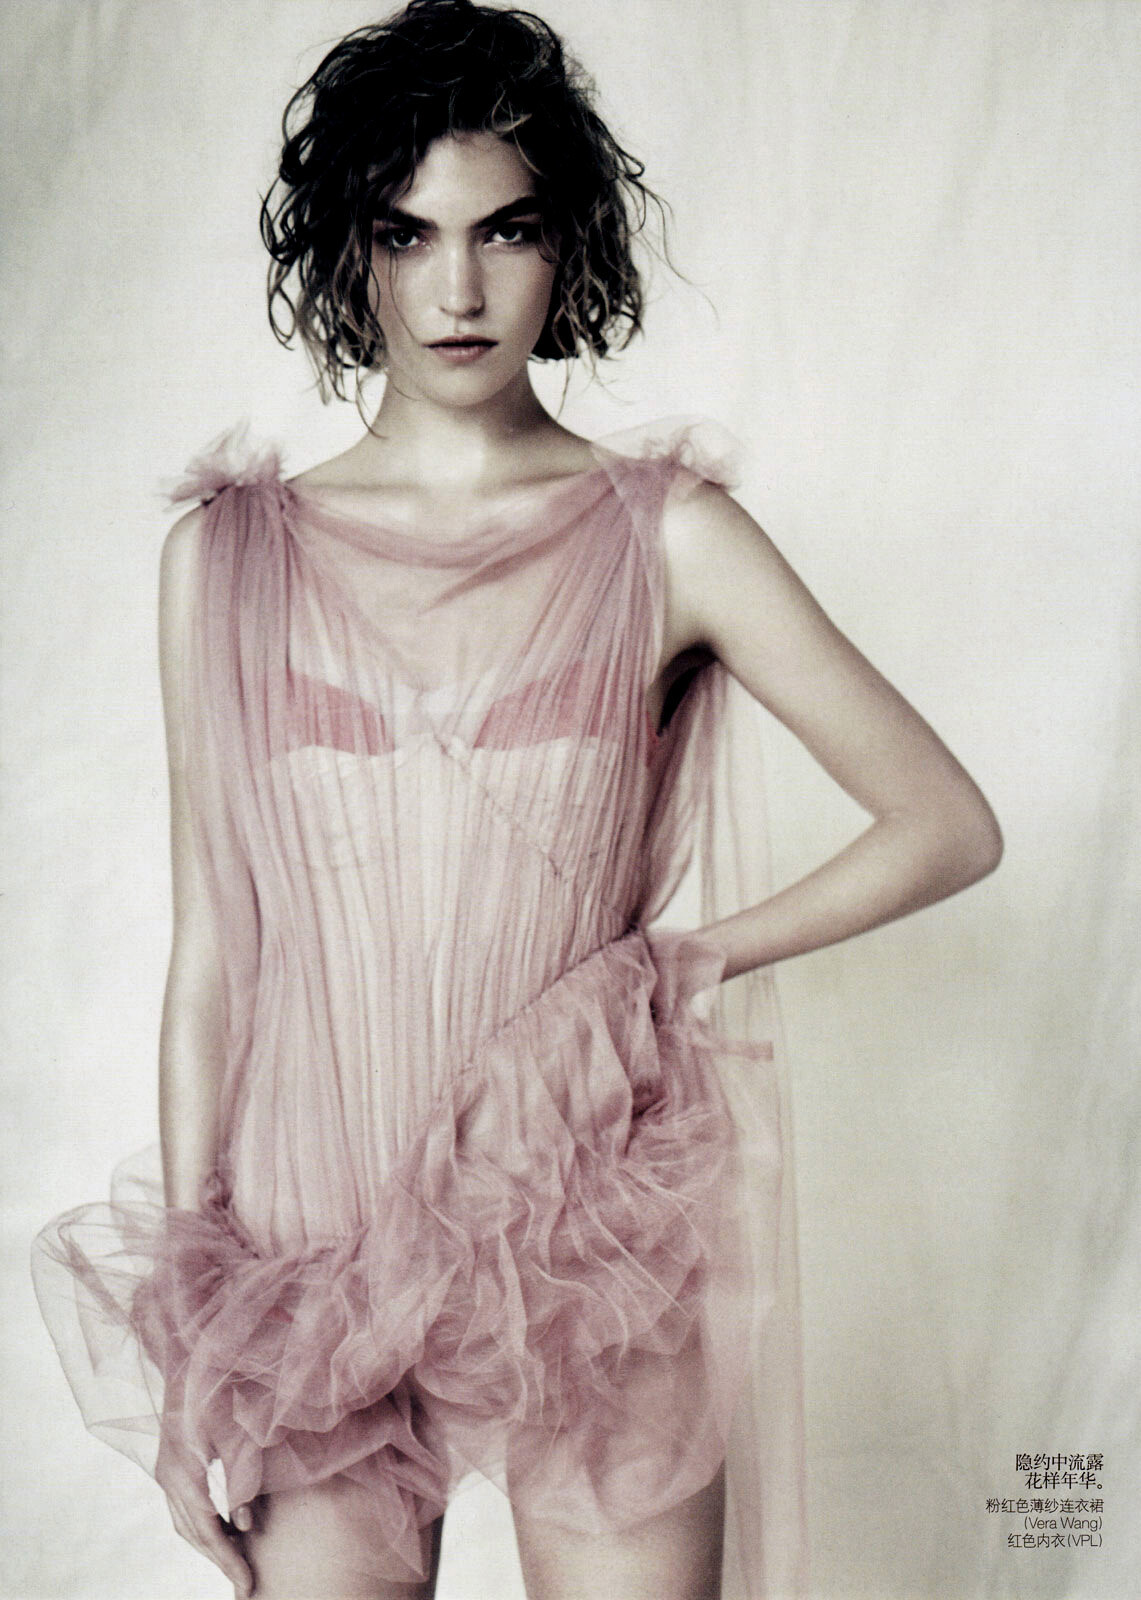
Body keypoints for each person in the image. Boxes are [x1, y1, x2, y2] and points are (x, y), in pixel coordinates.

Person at [32, 3, 1003, 1598]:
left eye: (506, 229)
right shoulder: (226, 561)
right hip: (307, 1245)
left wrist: (669, 964)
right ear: (347, 252)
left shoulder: (667, 536)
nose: (459, 289)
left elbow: (943, 824)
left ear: (570, 245)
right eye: (405, 233)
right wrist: (201, 1326)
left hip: (573, 1213)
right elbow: (215, 950)